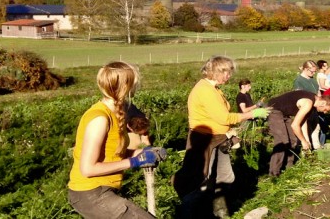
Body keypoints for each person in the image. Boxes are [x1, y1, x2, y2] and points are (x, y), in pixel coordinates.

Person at [173, 56, 269, 218]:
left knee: (225, 176)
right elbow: (224, 118)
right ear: (216, 72)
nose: (229, 76)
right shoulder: (205, 91)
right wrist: (251, 114)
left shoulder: (214, 88)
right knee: (201, 180)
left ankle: (219, 211)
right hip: (204, 140)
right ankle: (192, 214)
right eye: (227, 73)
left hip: (219, 138)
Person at [68, 61, 166, 219]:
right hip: (90, 193)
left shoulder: (117, 114)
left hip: (101, 191)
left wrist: (140, 152)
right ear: (125, 87)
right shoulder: (99, 118)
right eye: (134, 84)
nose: (135, 89)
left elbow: (113, 153)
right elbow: (88, 169)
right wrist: (135, 162)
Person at [266, 90, 330, 176]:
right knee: (282, 140)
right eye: (326, 110)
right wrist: (303, 141)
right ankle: (274, 173)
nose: (325, 112)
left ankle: (289, 168)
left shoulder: (313, 104)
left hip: (284, 113)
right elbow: (295, 125)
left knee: (293, 140)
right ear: (323, 103)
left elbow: (303, 122)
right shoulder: (308, 103)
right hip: (274, 109)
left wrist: (306, 140)